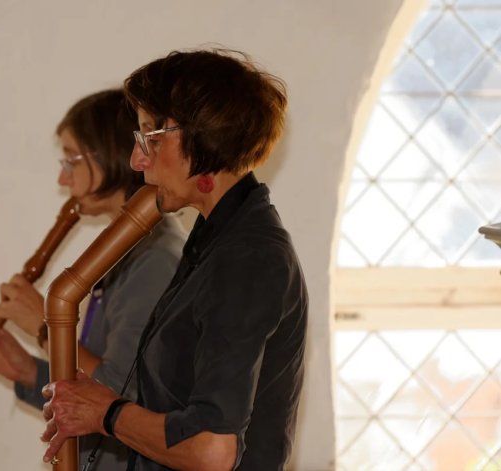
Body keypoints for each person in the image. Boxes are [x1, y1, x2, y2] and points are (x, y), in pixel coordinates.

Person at [38, 50, 308, 471]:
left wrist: (106, 413)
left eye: (151, 137)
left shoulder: (247, 259)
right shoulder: (215, 239)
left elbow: (211, 449)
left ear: (202, 141)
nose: (136, 160)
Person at [0, 89, 186, 471]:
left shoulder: (155, 257)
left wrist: (46, 329)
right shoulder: (125, 250)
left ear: (111, 154)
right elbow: (93, 389)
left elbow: (121, 393)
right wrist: (29, 372)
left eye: (71, 160)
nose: (64, 178)